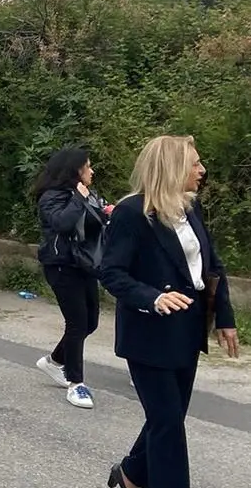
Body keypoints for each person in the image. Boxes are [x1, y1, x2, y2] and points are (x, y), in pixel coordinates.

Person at [100, 136, 238, 488]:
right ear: (172, 167)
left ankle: (129, 475)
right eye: (195, 163)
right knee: (168, 426)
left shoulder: (190, 208)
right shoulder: (132, 213)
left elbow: (213, 266)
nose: (202, 170)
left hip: (187, 332)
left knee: (168, 418)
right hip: (148, 335)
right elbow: (112, 273)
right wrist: (153, 298)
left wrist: (225, 318)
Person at [32, 147, 111, 409]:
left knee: (91, 323)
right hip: (61, 265)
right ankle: (76, 383)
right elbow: (63, 224)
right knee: (77, 323)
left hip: (85, 264)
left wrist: (106, 212)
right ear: (75, 170)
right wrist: (79, 197)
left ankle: (54, 361)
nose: (92, 170)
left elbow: (94, 222)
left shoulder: (87, 194)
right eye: (87, 166)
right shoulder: (51, 197)